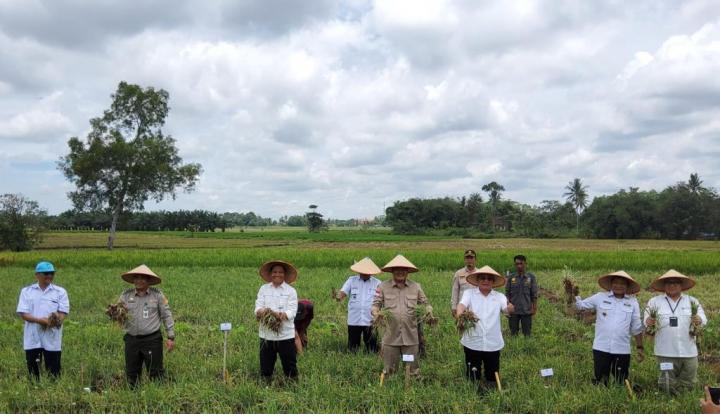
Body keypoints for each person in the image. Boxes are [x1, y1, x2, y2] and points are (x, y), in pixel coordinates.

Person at [575, 271, 644, 385]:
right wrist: (572, 294)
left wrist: (640, 347)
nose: (618, 286)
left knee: (620, 381)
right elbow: (580, 305)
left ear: (627, 286)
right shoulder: (600, 297)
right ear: (611, 284)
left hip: (622, 348)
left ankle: (619, 399)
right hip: (601, 347)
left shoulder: (632, 302)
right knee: (601, 380)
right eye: (616, 283)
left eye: (622, 283)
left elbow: (636, 327)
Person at [644, 269, 707, 393]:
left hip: (688, 350)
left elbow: (704, 319)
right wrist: (648, 321)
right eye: (669, 283)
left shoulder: (692, 301)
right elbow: (646, 319)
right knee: (667, 383)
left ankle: (682, 401)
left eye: (676, 283)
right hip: (665, 351)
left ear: (681, 285)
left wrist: (699, 319)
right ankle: (668, 401)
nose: (672, 285)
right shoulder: (654, 302)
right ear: (664, 286)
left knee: (688, 381)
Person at [371, 254, 432, 377]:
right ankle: (390, 391)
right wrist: (376, 313)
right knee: (389, 370)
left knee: (412, 370)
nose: (400, 272)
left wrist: (428, 311)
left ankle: (411, 389)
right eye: (397, 269)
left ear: (408, 271)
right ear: (392, 271)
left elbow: (426, 303)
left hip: (410, 337)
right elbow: (375, 304)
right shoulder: (382, 286)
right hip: (390, 337)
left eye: (403, 269)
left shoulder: (416, 286)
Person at [456, 265, 514, 390]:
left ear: (493, 282)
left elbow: (506, 310)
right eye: (482, 278)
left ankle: (491, 390)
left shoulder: (499, 297)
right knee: (473, 374)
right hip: (473, 342)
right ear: (477, 280)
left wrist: (510, 308)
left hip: (492, 343)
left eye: (489, 279)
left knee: (492, 374)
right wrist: (460, 313)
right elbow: (461, 305)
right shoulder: (469, 293)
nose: (486, 281)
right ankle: (474, 392)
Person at [117, 265, 175, 387]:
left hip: (152, 340)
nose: (139, 280)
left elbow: (167, 315)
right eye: (136, 277)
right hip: (131, 340)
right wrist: (114, 313)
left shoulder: (157, 295)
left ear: (148, 280)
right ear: (133, 280)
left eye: (142, 278)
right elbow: (119, 315)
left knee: (156, 373)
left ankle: (157, 397)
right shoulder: (125, 296)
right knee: (132, 373)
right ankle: (134, 398)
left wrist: (171, 337)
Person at [16, 261, 70, 380]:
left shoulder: (60, 292)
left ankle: (53, 393)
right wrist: (41, 320)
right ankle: (35, 392)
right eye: (46, 273)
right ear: (37, 275)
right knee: (34, 375)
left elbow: (63, 313)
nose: (49, 276)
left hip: (52, 337)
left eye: (52, 273)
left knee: (54, 374)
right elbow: (23, 313)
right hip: (33, 336)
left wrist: (56, 320)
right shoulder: (26, 291)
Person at [255, 260, 299, 381]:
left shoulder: (291, 291)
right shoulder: (263, 289)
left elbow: (292, 311)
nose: (277, 274)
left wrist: (279, 315)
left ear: (284, 274)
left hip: (285, 334)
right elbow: (258, 307)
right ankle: (266, 383)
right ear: (270, 274)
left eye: (280, 272)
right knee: (266, 365)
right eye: (274, 272)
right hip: (266, 334)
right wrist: (262, 312)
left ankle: (292, 384)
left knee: (289, 364)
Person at [335, 257, 382, 352]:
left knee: (372, 347)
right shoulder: (351, 280)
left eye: (367, 271)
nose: (365, 273)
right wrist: (338, 296)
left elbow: (381, 299)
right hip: (354, 319)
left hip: (370, 320)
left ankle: (371, 358)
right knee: (353, 347)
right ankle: (353, 358)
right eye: (362, 271)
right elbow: (343, 292)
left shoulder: (377, 283)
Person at [505, 254, 538, 336]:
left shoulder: (531, 277)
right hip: (513, 311)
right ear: (515, 265)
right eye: (517, 264)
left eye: (521, 263)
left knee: (527, 334)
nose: (519, 266)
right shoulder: (511, 277)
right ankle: (514, 348)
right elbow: (507, 293)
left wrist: (534, 307)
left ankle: (527, 347)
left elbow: (534, 294)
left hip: (526, 310)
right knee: (513, 333)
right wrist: (507, 307)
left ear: (525, 264)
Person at [451, 249, 477, 317]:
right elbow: (455, 291)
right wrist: (454, 307)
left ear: (475, 259)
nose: (469, 260)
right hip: (462, 308)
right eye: (467, 258)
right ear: (464, 260)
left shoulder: (480, 274)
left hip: (476, 308)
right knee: (463, 327)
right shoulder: (459, 273)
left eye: (471, 258)